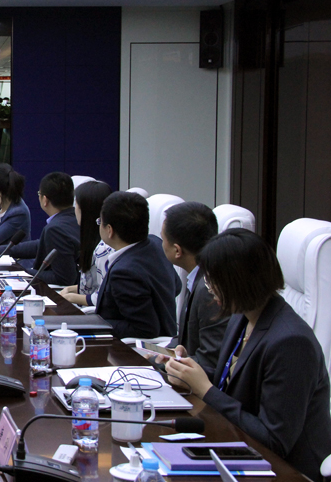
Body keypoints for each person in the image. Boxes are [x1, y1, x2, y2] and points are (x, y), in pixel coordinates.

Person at [165, 229, 331, 481]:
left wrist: (205, 389)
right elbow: (234, 380)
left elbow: (274, 441)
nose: (210, 290)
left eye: (214, 282)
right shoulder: (242, 317)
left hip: (285, 470)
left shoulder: (291, 342)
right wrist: (187, 371)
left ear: (240, 282)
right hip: (237, 446)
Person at [93, 192, 181, 339]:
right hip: (168, 333)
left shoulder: (124, 272)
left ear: (109, 230)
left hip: (134, 347)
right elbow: (176, 286)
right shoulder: (156, 243)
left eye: (99, 221)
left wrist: (97, 324)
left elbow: (145, 329)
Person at [0, 171, 80, 286]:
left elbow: (63, 279)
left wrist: (20, 272)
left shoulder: (55, 228)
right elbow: (40, 245)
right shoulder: (74, 219)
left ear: (45, 200)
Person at [160, 202, 226, 368]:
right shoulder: (198, 276)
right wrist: (159, 354)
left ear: (177, 251)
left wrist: (165, 364)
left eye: (163, 240)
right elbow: (185, 339)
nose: (161, 244)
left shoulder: (210, 290)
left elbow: (210, 361)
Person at [59, 180, 114, 306]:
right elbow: (93, 285)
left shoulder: (104, 248)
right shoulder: (93, 240)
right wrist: (70, 289)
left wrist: (71, 297)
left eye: (76, 205)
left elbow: (102, 295)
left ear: (85, 210)